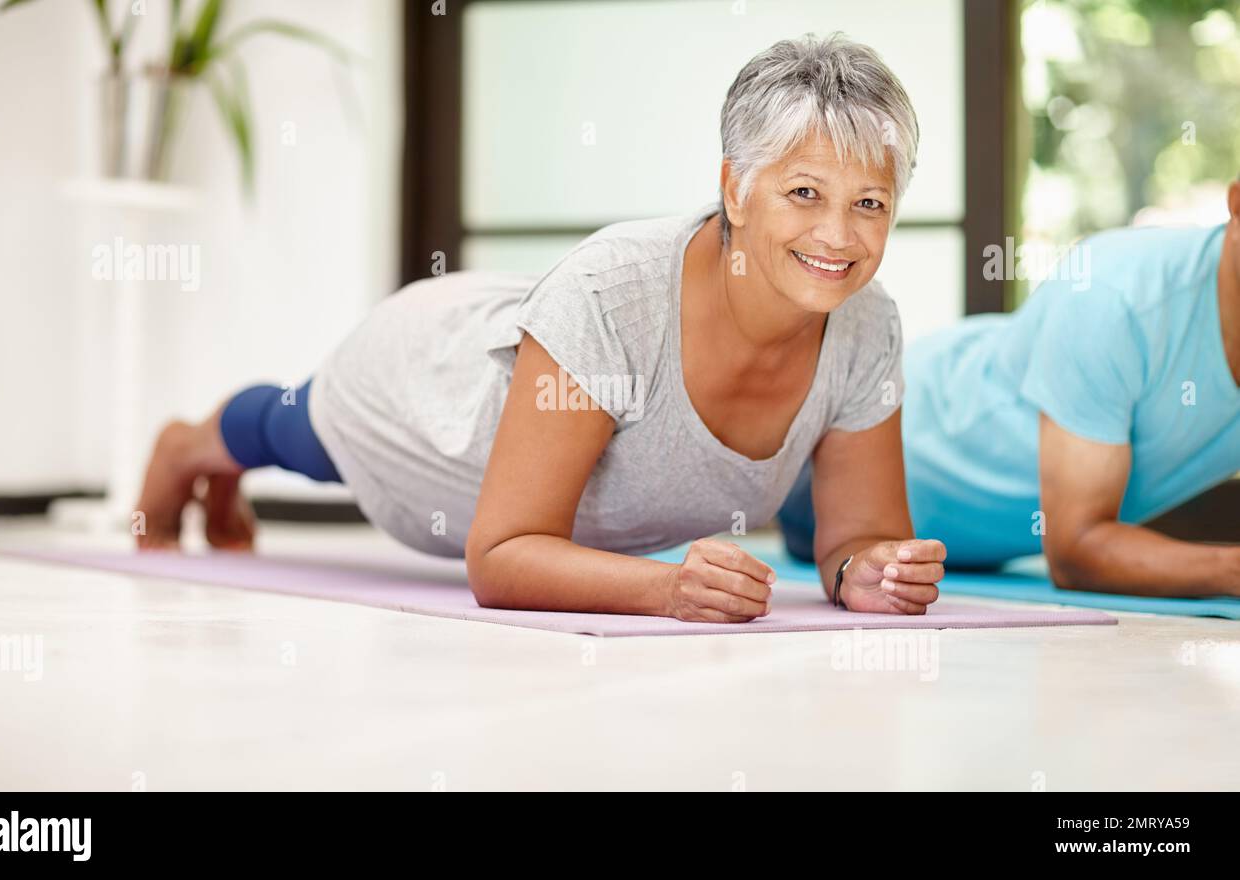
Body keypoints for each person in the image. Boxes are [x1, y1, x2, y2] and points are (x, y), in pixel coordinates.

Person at [136, 33, 947, 620]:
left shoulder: (867, 325)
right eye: (804, 193)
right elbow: (500, 556)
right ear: (735, 188)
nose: (838, 235)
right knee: (300, 432)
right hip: (429, 391)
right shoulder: (615, 296)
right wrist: (668, 589)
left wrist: (867, 571)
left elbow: (857, 537)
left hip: (530, 337)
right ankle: (188, 447)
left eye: (869, 203)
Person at [782, 179, 1240, 598]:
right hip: (858, 450)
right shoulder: (1114, 293)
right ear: (1236, 206)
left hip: (969, 549)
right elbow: (1077, 549)